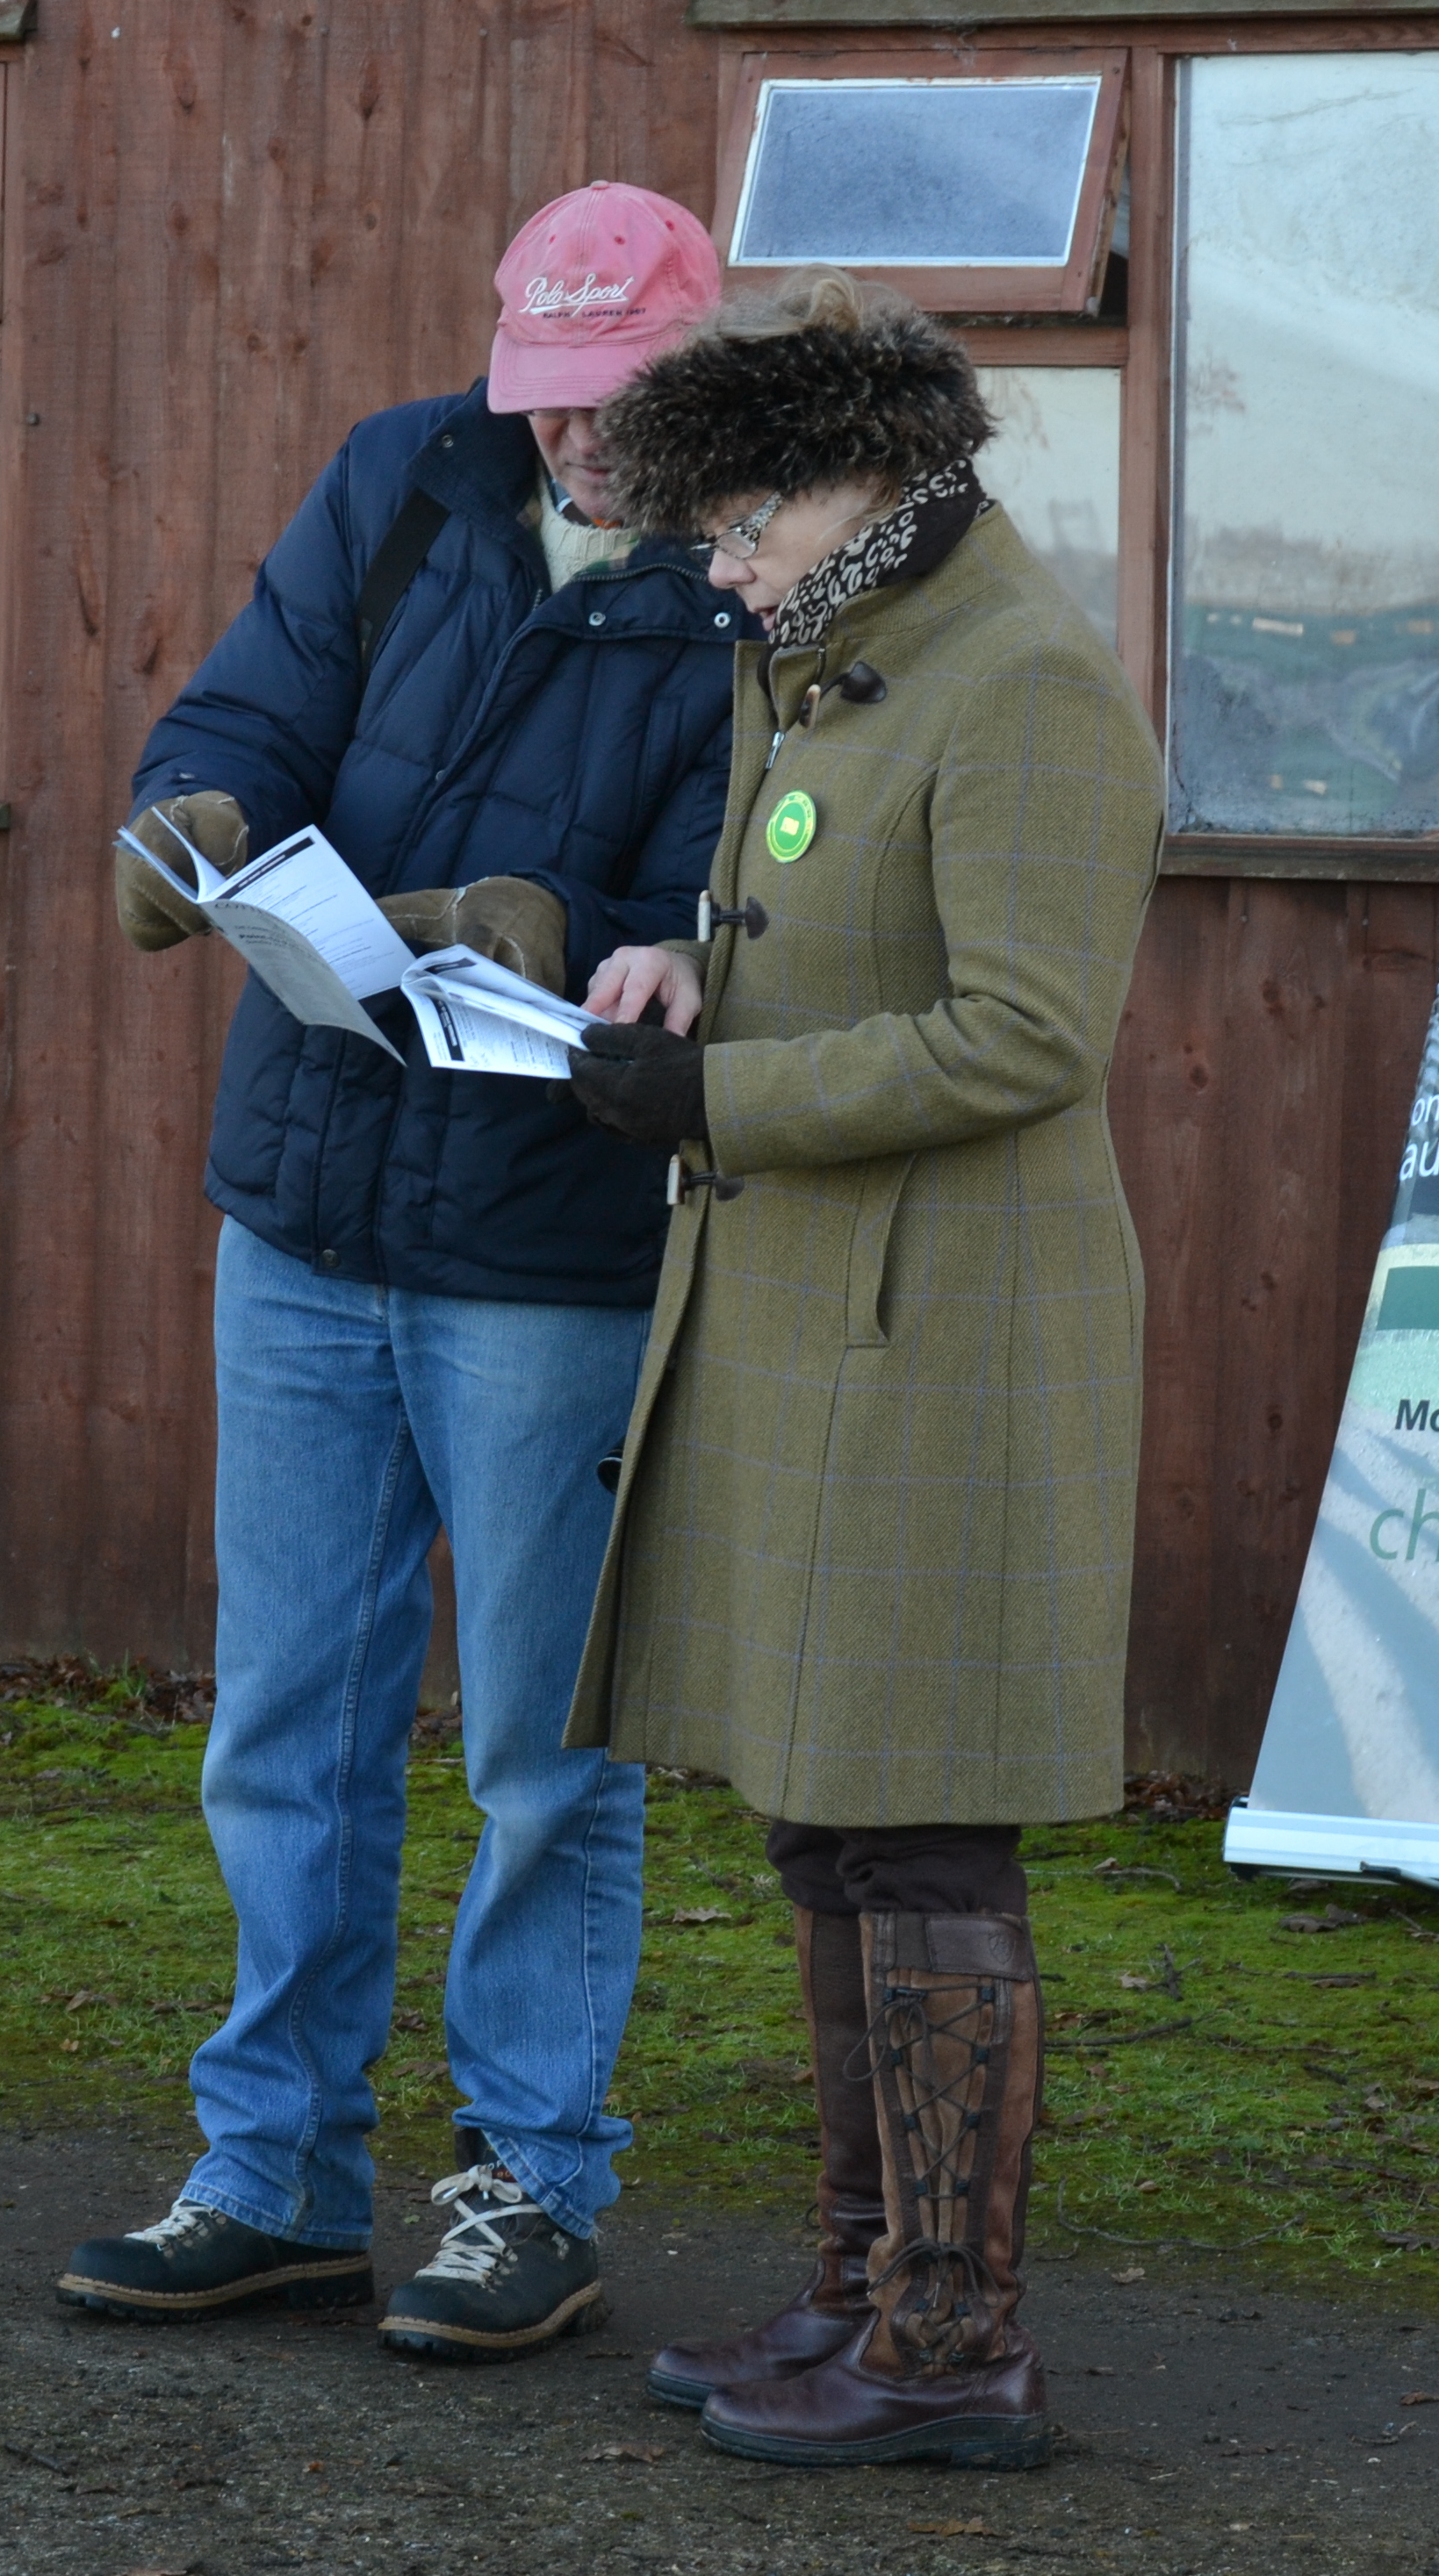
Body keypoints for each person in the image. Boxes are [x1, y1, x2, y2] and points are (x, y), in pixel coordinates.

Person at [53, 183, 743, 2364]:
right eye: (548, 393)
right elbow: (247, 712)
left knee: (544, 1751)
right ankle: (271, 2174)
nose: (575, 439)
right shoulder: (404, 471)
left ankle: (533, 2185)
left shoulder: (758, 579)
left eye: (615, 400)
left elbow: (730, 899)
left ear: (701, 379)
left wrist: (555, 930)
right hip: (308, 1207)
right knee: (286, 1728)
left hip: (547, 1245)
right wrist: (188, 819)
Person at [557, 268, 1164, 2470]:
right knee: (829, 1827)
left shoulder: (1021, 684)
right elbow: (835, 942)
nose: (721, 570)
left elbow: (1022, 1034)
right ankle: (857, 2286)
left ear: (860, 478)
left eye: (742, 526)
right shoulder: (836, 662)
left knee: (916, 1837)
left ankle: (947, 2341)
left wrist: (719, 1099)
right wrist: (680, 975)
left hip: (951, 1338)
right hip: (828, 1317)